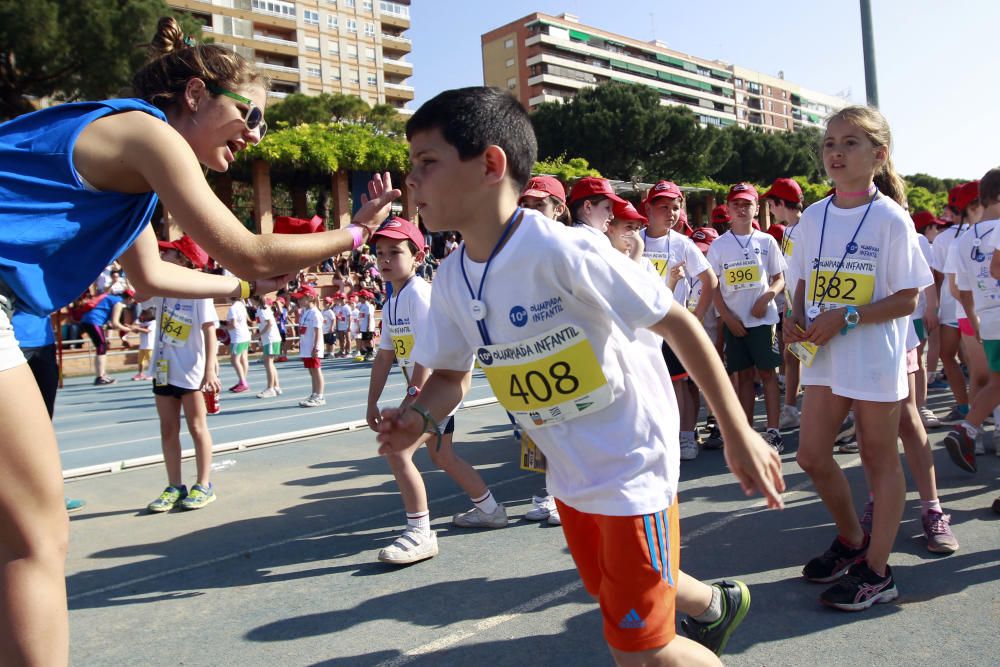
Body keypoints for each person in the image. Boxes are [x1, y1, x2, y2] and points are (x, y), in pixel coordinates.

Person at [0, 16, 399, 663]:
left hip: (20, 321)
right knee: (34, 539)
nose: (256, 133)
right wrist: (354, 233)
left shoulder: (131, 177)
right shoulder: (147, 134)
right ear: (193, 95)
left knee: (19, 538)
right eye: (251, 113)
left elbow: (154, 276)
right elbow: (249, 248)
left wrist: (245, 289)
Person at [378, 86, 784, 666]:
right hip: (568, 471)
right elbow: (450, 376)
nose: (411, 181)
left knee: (640, 648)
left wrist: (738, 431)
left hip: (629, 461)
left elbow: (681, 326)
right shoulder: (448, 279)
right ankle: (715, 605)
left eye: (427, 163)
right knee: (611, 589)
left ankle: (692, 625)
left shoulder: (566, 252)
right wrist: (418, 417)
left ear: (492, 165)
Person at [784, 105, 933, 610]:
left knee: (876, 457)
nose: (836, 153)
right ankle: (851, 540)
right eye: (829, 143)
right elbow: (802, 279)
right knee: (810, 455)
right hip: (823, 355)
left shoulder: (892, 219)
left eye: (850, 143)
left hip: (872, 355)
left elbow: (909, 299)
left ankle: (878, 571)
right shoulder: (813, 216)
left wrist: (848, 316)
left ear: (878, 154)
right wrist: (793, 315)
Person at [367, 217, 507, 565]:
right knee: (443, 456)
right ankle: (490, 510)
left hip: (441, 388)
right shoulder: (392, 301)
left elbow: (431, 352)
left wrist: (412, 397)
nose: (385, 259)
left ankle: (420, 533)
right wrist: (372, 401)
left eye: (395, 252)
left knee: (398, 451)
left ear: (418, 255)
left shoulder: (419, 294)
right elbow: (385, 356)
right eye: (379, 252)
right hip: (428, 392)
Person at [641, 180, 719, 460]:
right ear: (648, 208)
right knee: (647, 383)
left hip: (672, 326)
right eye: (663, 207)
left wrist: (695, 319)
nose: (670, 213)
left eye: (675, 207)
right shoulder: (635, 239)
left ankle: (686, 436)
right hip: (643, 328)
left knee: (679, 383)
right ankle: (658, 435)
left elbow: (710, 280)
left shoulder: (683, 243)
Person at [707, 183, 787, 452]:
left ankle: (774, 432)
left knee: (767, 374)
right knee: (742, 377)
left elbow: (779, 278)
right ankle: (746, 434)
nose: (742, 209)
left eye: (747, 204)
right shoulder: (719, 246)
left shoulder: (767, 241)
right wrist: (727, 317)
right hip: (735, 323)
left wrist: (767, 297)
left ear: (756, 208)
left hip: (763, 322)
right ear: (728, 208)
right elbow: (714, 285)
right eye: (736, 204)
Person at [146, 239, 222, 512]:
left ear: (182, 259)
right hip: (164, 368)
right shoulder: (162, 287)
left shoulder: (199, 289)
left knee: (197, 427)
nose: (161, 254)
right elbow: (139, 296)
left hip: (191, 370)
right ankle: (174, 485)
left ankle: (203, 485)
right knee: (168, 428)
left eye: (167, 252)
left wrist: (210, 369)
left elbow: (209, 331)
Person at [944, 169, 1000, 473]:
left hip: (986, 318)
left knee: (995, 382)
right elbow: (996, 269)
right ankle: (968, 430)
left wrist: (976, 324)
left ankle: (967, 429)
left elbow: (962, 292)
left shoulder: (962, 242)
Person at [761, 178, 804, 431]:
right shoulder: (787, 231)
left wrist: (797, 308)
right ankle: (790, 409)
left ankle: (843, 416)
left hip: (808, 305)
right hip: (792, 303)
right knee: (791, 354)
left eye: (772, 204)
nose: (771, 210)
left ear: (780, 203)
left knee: (812, 359)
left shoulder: (809, 226)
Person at [78, 288, 136, 385]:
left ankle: (101, 374)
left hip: (88, 320)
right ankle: (100, 377)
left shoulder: (113, 298)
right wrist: (131, 330)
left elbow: (109, 322)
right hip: (94, 321)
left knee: (101, 346)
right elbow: (115, 323)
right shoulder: (119, 303)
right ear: (130, 298)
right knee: (102, 346)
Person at [294, 286, 326, 407]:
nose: (299, 300)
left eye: (301, 298)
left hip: (313, 347)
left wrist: (316, 347)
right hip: (306, 347)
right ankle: (314, 393)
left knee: (316, 371)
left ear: (310, 297)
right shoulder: (305, 312)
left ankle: (320, 396)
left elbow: (318, 331)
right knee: (311, 372)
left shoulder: (315, 313)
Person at [254, 295, 283, 398]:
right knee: (270, 363)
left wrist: (259, 334)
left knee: (268, 363)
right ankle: (276, 387)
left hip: (271, 339)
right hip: (269, 339)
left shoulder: (263, 309)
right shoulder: (261, 309)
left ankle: (270, 388)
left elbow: (269, 324)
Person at [225, 295, 252, 392]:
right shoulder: (241, 304)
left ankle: (243, 382)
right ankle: (242, 381)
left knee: (234, 360)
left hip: (238, 337)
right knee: (244, 359)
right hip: (245, 335)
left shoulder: (233, 308)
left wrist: (223, 328)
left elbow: (233, 325)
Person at [131, 306, 157, 380]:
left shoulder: (153, 323)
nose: (143, 315)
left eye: (145, 313)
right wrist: (130, 328)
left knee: (150, 361)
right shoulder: (143, 323)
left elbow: (147, 331)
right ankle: (140, 373)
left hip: (149, 346)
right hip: (142, 345)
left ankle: (153, 374)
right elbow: (136, 331)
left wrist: (137, 328)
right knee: (140, 361)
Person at [356, 290, 376, 361]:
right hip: (363, 327)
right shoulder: (361, 305)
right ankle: (368, 352)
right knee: (364, 341)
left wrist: (368, 326)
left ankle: (371, 352)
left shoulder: (368, 306)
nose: (359, 298)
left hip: (367, 327)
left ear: (364, 297)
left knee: (368, 340)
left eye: (360, 297)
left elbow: (369, 316)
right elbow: (360, 317)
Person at [333, 292, 352, 357]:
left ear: (345, 299)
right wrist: (337, 326)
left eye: (343, 298)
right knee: (341, 339)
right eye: (341, 298)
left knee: (348, 339)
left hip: (346, 326)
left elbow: (350, 317)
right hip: (340, 326)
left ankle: (348, 352)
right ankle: (342, 351)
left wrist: (349, 326)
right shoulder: (338, 307)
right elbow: (337, 317)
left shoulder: (347, 307)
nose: (342, 300)